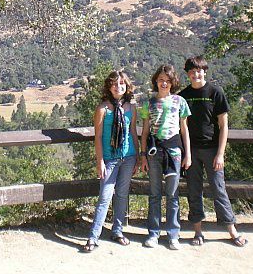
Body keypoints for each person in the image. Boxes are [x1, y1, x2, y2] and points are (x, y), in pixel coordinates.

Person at [179, 56, 247, 247]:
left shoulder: (216, 92)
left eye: (199, 71)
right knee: (194, 190)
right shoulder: (183, 96)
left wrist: (220, 153)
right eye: (192, 72)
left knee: (219, 189)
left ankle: (232, 231)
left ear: (205, 71)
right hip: (191, 151)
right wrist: (186, 153)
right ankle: (198, 232)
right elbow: (182, 127)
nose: (196, 74)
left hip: (212, 150)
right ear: (187, 74)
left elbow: (224, 125)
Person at [82, 70, 139, 252]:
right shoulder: (102, 109)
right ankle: (93, 237)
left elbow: (133, 134)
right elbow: (98, 137)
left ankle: (118, 231)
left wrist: (138, 157)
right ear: (109, 87)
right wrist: (100, 161)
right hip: (109, 159)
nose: (118, 86)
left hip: (128, 158)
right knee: (105, 197)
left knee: (122, 195)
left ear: (126, 86)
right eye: (114, 83)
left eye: (121, 83)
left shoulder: (131, 107)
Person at [140, 64, 191, 250]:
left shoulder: (180, 102)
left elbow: (184, 130)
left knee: (172, 195)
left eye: (167, 80)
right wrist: (143, 155)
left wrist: (188, 155)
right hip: (154, 153)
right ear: (156, 81)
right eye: (161, 80)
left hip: (175, 153)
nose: (164, 83)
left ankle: (173, 234)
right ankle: (153, 233)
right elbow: (145, 132)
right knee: (154, 194)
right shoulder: (149, 103)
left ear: (172, 82)